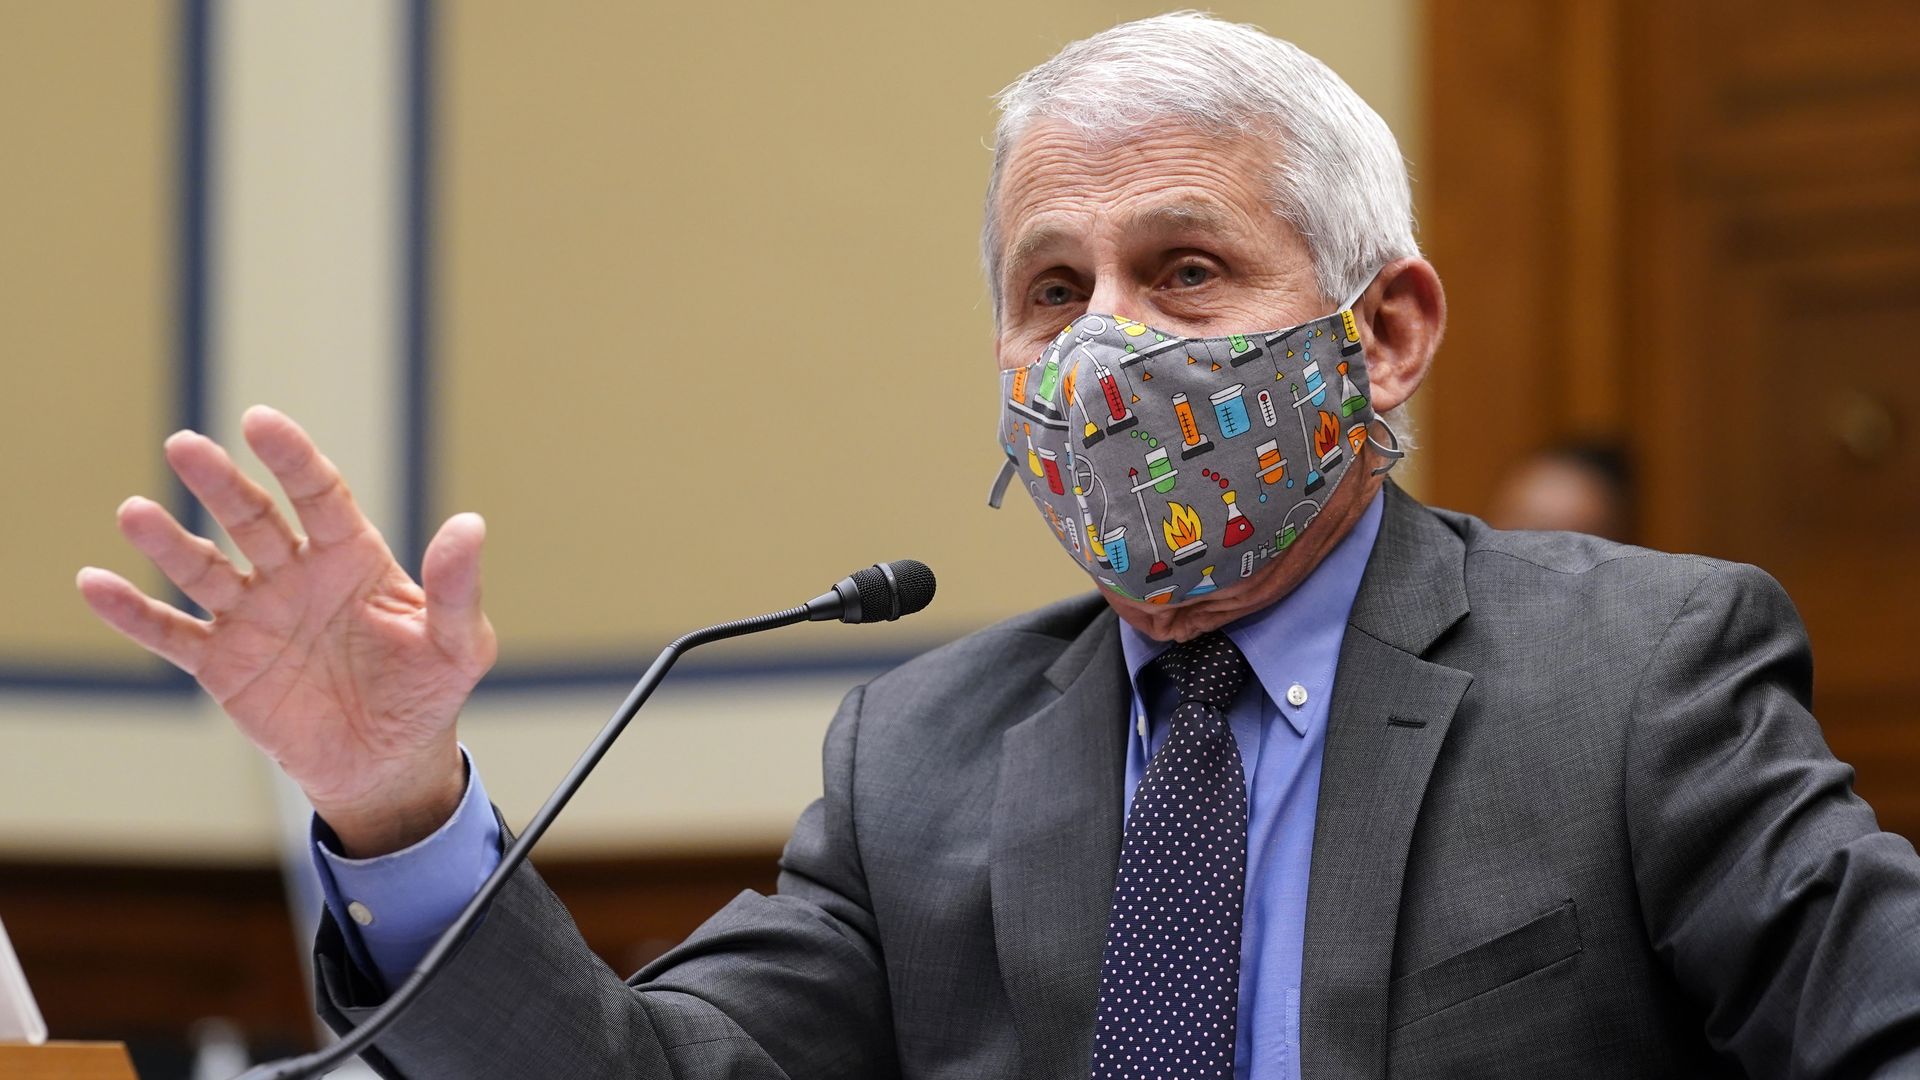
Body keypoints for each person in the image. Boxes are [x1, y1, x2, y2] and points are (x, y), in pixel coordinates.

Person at [76, 14, 1920, 1080]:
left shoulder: (1632, 676)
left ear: (1386, 328)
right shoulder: (926, 758)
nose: (1105, 346)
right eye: (1055, 290)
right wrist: (396, 798)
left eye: (1183, 270)